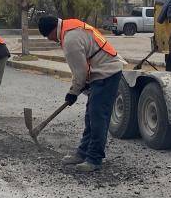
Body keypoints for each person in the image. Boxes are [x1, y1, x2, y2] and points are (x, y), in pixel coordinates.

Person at [38, 15, 125, 173]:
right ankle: (83, 153)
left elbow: (81, 72)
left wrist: (73, 92)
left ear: (51, 32)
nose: (50, 40)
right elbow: (82, 70)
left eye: (47, 37)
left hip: (107, 73)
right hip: (102, 70)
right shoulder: (70, 26)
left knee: (98, 117)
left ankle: (94, 159)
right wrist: (77, 89)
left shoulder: (70, 40)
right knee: (90, 116)